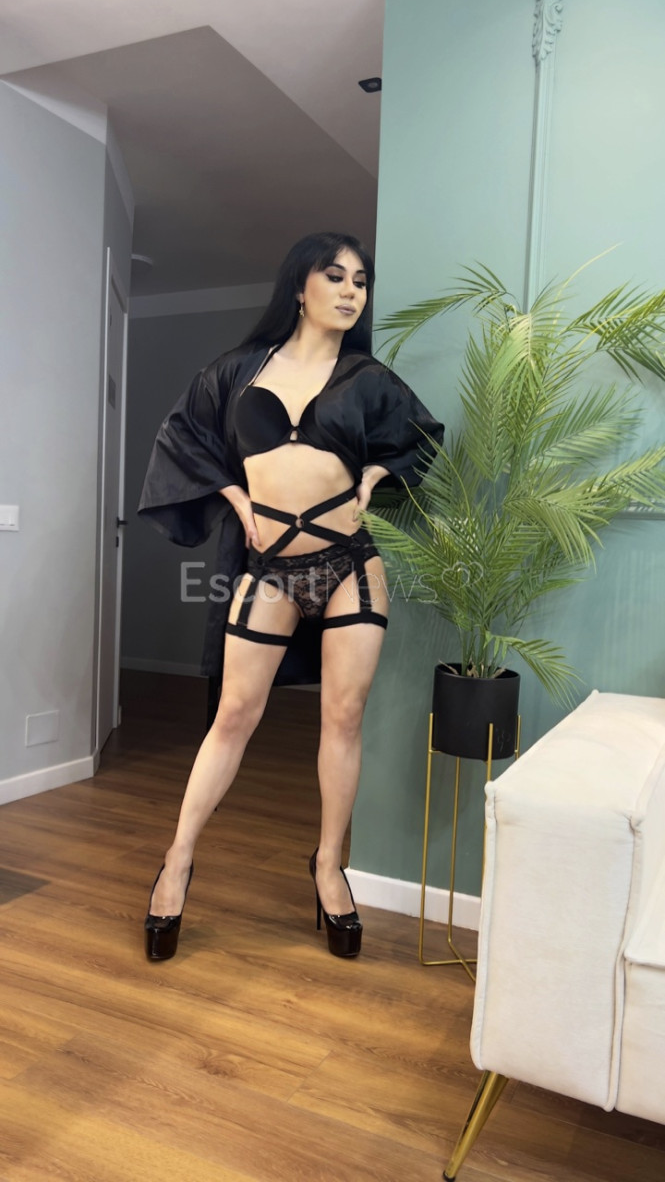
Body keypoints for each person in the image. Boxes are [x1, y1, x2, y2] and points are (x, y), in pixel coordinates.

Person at [137, 231, 444, 962]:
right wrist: (235, 498)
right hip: (269, 565)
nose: (350, 291)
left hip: (351, 564)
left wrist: (376, 477)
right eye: (334, 276)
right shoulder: (237, 371)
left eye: (360, 281)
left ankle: (329, 866)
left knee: (343, 717)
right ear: (298, 287)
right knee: (234, 715)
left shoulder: (369, 378)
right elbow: (184, 438)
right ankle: (177, 860)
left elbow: (422, 440)